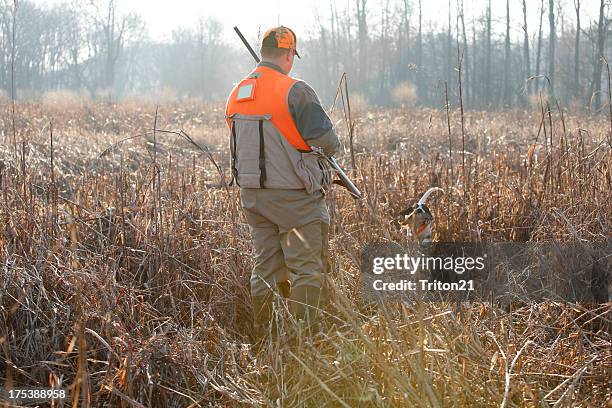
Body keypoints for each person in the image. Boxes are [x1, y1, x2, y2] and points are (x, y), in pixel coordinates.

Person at [225, 26, 341, 339]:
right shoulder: (295, 90)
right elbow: (328, 142)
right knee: (306, 269)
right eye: (292, 55)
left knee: (265, 267)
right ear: (289, 54)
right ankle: (301, 341)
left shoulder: (236, 94)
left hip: (252, 197)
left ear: (264, 52)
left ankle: (263, 333)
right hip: (294, 199)